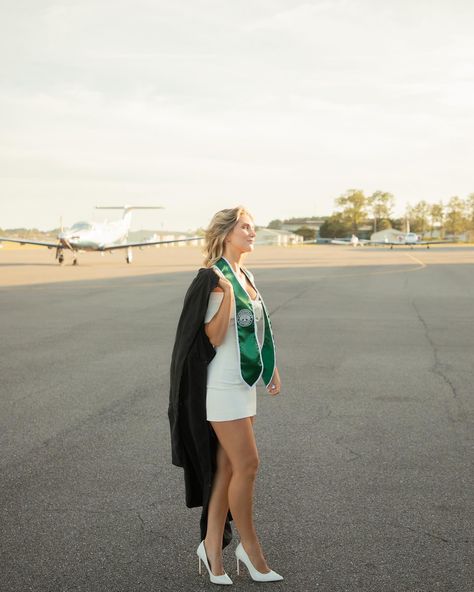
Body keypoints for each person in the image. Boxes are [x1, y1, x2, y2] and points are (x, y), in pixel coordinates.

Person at [168, 206, 283, 585]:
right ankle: (250, 549)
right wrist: (228, 298)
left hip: (243, 382)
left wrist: (270, 368)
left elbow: (255, 329)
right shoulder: (213, 278)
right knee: (249, 465)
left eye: (253, 226)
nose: (253, 232)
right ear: (227, 233)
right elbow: (213, 337)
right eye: (245, 227)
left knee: (228, 469)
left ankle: (211, 546)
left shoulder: (245, 274)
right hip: (219, 386)